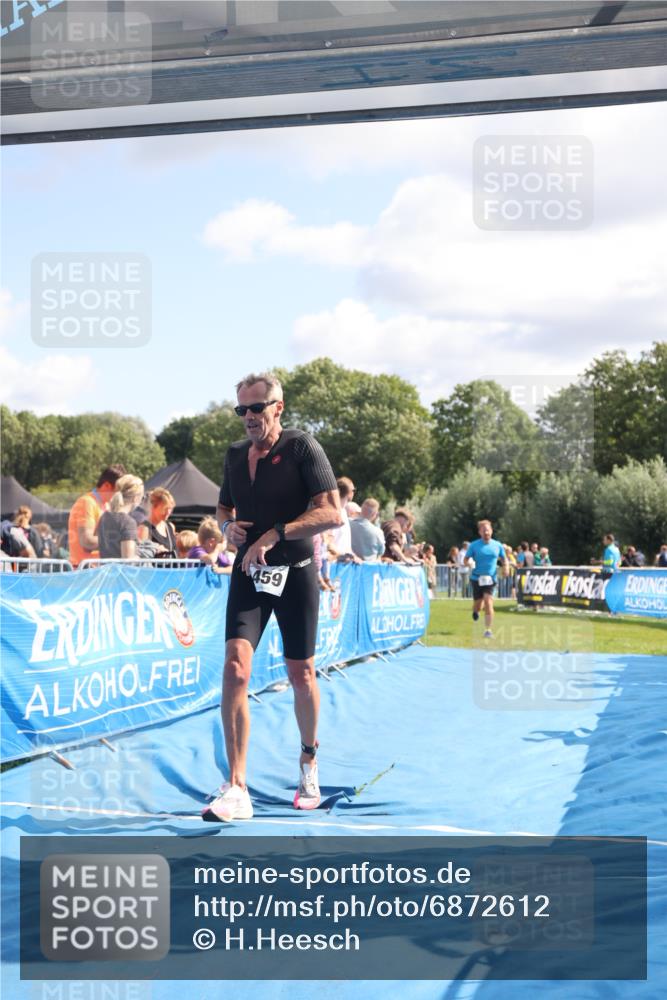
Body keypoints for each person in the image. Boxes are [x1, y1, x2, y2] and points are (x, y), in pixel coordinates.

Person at [208, 371, 342, 823]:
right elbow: (225, 506)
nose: (247, 417)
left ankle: (308, 760)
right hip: (250, 572)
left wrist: (275, 533)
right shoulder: (232, 456)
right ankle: (237, 785)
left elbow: (332, 512)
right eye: (240, 409)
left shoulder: (302, 447)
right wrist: (228, 527)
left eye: (255, 408)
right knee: (234, 668)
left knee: (301, 673)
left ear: (277, 408)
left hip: (297, 571)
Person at [68, 465, 126, 568]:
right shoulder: (87, 502)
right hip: (85, 571)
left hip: (98, 570)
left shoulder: (106, 505)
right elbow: (86, 541)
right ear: (107, 485)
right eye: (118, 491)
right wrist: (122, 540)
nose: (120, 495)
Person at [465, 519, 509, 639]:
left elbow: (504, 559)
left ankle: (488, 630)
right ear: (479, 532)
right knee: (478, 604)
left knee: (488, 602)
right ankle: (475, 611)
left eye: (488, 530)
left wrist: (506, 567)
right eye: (484, 530)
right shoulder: (474, 545)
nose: (486, 532)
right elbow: (466, 559)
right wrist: (469, 562)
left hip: (491, 578)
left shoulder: (497, 545)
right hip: (476, 578)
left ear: (491, 531)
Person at [97, 475, 144, 560]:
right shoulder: (128, 522)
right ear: (136, 498)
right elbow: (128, 560)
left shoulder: (104, 516)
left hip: (106, 571)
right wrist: (143, 556)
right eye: (142, 497)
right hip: (121, 572)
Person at [144, 487, 178, 557]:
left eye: (170, 509)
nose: (168, 512)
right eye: (165, 508)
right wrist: (155, 549)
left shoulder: (170, 526)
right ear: (153, 507)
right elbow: (142, 553)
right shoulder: (144, 528)